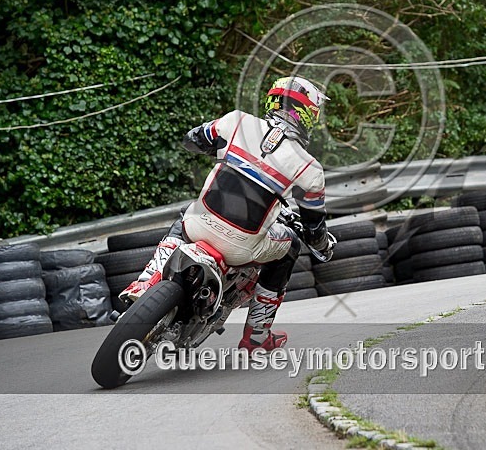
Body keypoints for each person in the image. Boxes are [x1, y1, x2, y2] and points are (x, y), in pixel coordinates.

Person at [119, 76, 333, 351]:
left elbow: (192, 140)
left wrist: (223, 152)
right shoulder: (310, 169)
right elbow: (314, 231)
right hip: (242, 249)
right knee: (290, 246)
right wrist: (324, 247)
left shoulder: (236, 122)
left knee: (184, 218)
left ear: (273, 100)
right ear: (304, 114)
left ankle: (145, 282)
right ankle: (257, 336)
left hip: (199, 226)